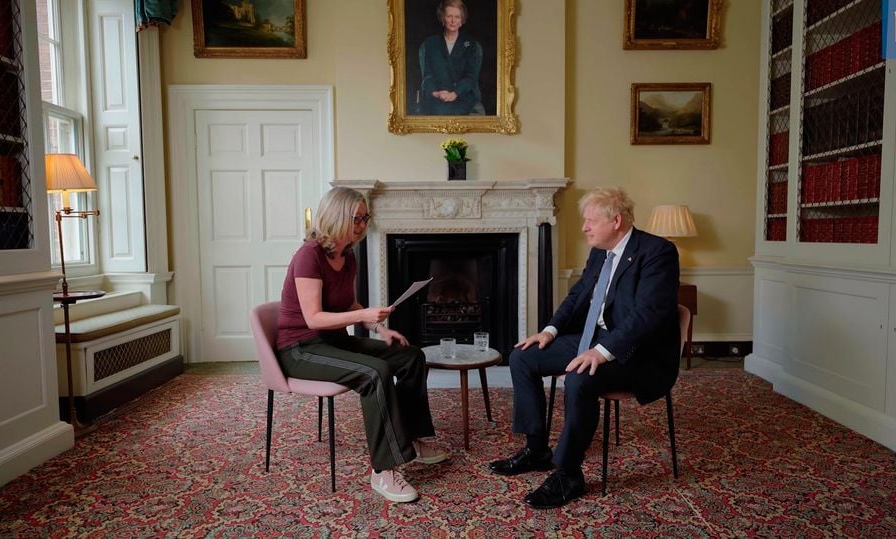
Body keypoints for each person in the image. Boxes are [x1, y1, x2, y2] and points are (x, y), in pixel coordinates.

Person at [488, 187, 680, 509]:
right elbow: (578, 296)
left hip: (637, 351)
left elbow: (647, 316)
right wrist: (549, 331)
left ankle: (568, 473)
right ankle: (536, 449)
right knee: (522, 356)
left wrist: (601, 353)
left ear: (616, 221)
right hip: (593, 338)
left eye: (590, 220)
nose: (584, 227)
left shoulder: (658, 252)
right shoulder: (599, 252)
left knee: (580, 377)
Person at [275, 187, 449, 504]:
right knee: (374, 373)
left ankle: (412, 440)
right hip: (300, 349)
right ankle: (383, 470)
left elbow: (349, 303)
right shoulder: (309, 255)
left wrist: (380, 329)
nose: (361, 224)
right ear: (337, 216)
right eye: (356, 218)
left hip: (333, 341)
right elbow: (313, 318)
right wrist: (363, 314)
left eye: (365, 217)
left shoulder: (348, 255)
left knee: (411, 357)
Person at [418, 0, 483, 115]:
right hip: (438, 96)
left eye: (457, 17)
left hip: (462, 96)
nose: (453, 21)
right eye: (449, 16)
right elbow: (427, 74)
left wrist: (455, 93)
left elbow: (471, 76)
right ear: (443, 19)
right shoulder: (430, 43)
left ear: (461, 21)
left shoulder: (470, 44)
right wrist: (436, 93)